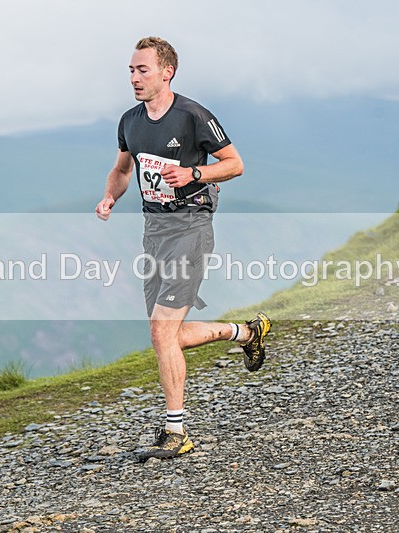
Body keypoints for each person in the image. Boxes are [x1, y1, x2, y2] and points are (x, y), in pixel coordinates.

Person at [96, 36, 271, 460]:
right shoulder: (129, 121)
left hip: (191, 226)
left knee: (161, 330)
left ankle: (176, 432)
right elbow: (123, 169)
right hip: (154, 231)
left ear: (167, 72)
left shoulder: (193, 115)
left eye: (143, 70)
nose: (134, 78)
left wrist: (194, 173)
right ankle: (246, 333)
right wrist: (110, 196)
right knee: (168, 335)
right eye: (131, 70)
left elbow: (235, 164)